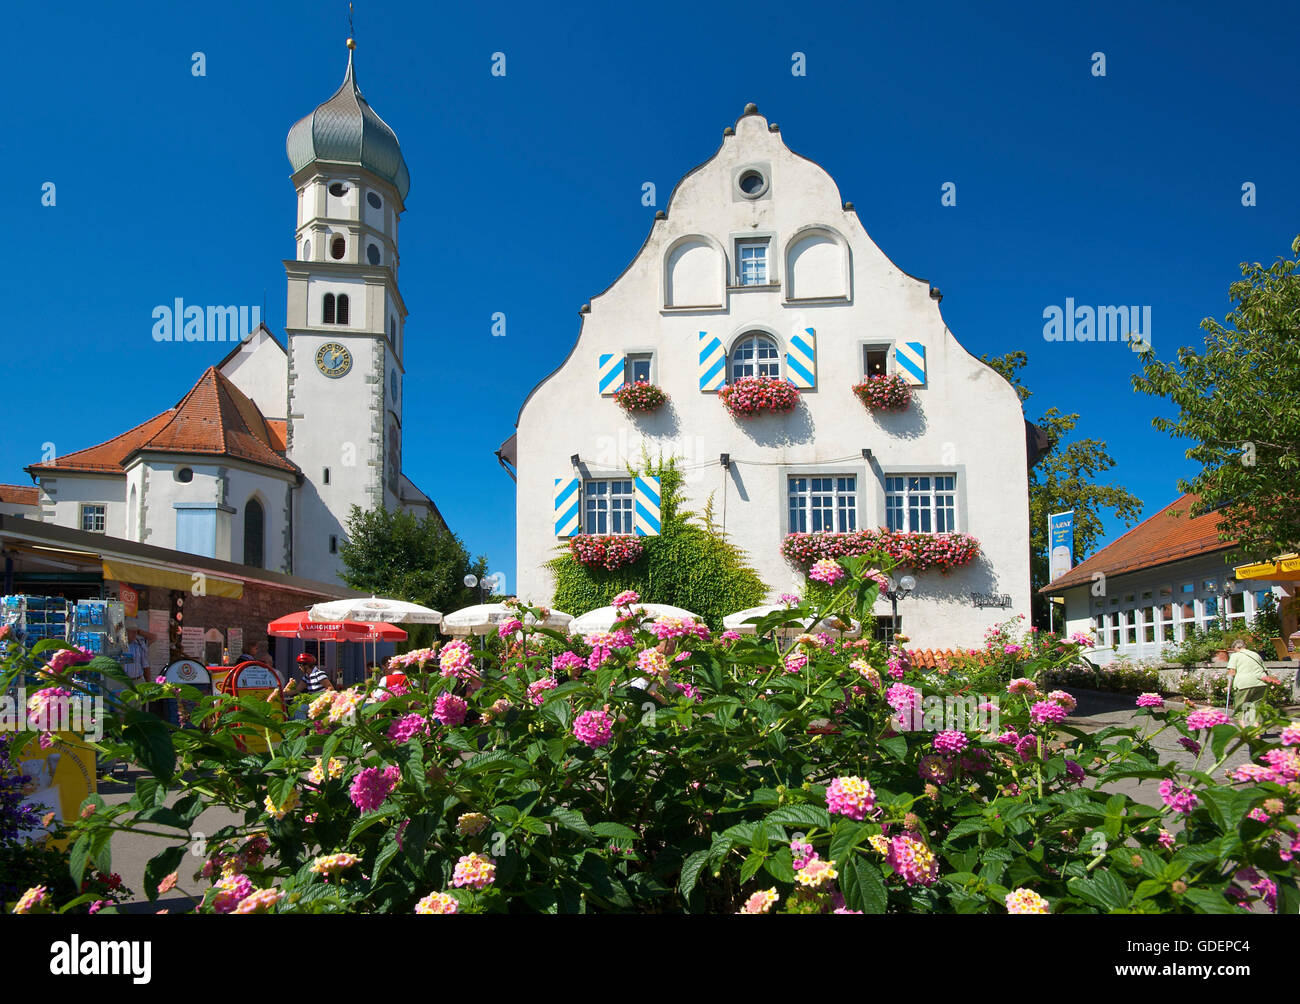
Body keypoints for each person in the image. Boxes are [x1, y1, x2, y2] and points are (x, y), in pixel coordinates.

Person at [1226, 639, 1268, 726]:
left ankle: (1244, 732)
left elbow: (1232, 672)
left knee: (1240, 709)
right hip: (1261, 683)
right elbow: (1265, 669)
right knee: (1256, 710)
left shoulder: (1235, 655)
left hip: (1244, 684)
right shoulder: (1256, 655)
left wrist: (1228, 686)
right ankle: (1255, 734)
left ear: (1236, 648)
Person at [284, 653, 334, 719]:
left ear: (306, 666)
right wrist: (282, 693)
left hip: (321, 704)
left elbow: (330, 688)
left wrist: (322, 699)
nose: (299, 667)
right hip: (312, 703)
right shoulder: (306, 677)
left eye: (300, 665)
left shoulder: (319, 674)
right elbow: (297, 690)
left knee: (300, 709)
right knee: (294, 707)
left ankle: (301, 728)